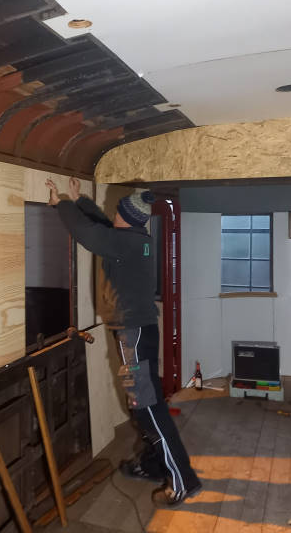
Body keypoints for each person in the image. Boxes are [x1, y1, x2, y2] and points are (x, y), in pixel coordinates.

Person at [46, 177, 202, 506]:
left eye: (118, 212)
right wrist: (80, 202)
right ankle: (153, 465)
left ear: (127, 219)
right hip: (139, 331)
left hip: (134, 334)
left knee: (147, 408)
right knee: (144, 405)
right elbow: (103, 226)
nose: (114, 216)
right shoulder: (135, 239)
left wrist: (62, 204)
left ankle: (183, 479)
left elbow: (90, 234)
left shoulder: (124, 243)